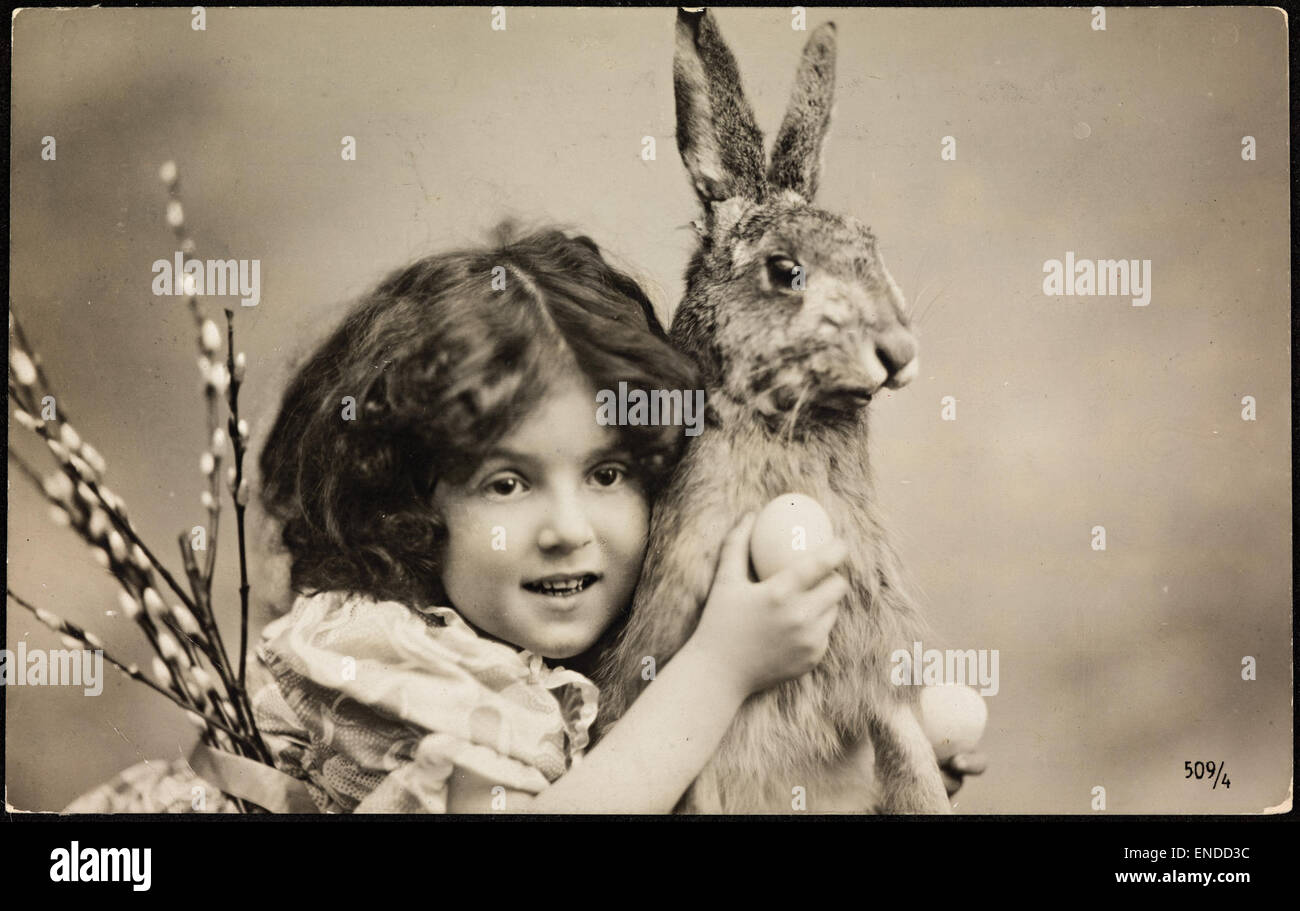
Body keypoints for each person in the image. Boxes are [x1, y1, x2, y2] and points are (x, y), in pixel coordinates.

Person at [65, 222, 981, 813]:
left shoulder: (544, 661)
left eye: (609, 471)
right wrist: (719, 667)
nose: (568, 528)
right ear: (411, 508)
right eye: (507, 484)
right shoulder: (409, 675)